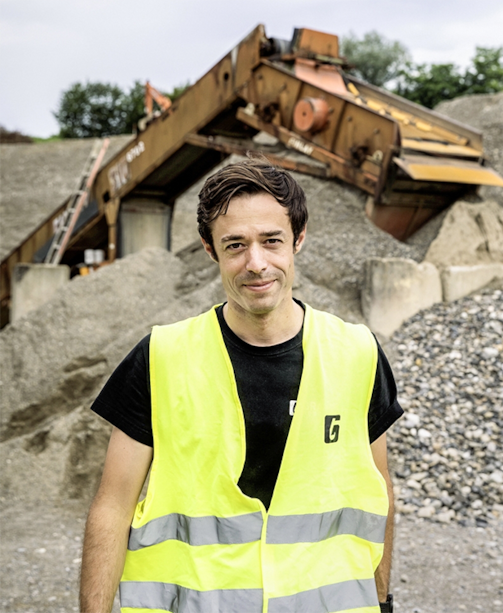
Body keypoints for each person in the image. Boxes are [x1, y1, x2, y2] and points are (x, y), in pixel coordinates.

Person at [79, 158, 402, 613]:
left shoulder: (358, 354)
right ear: (211, 251)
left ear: (299, 240)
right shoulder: (161, 358)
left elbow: (378, 494)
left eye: (272, 241)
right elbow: (112, 507)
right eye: (235, 245)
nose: (256, 263)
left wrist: (384, 600)